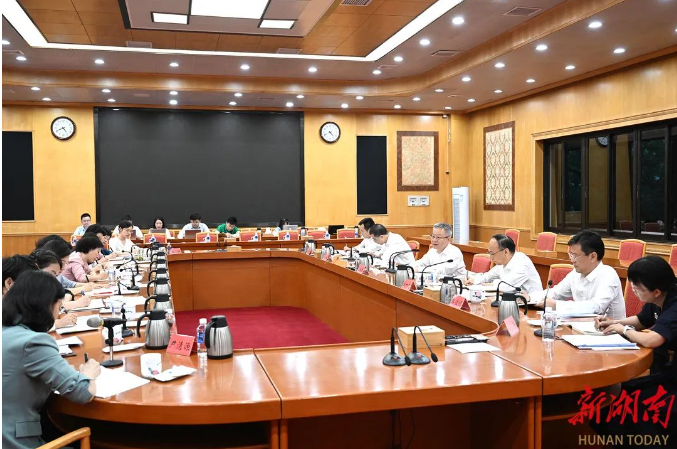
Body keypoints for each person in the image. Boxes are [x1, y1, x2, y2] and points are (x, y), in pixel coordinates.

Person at [2, 271, 100, 449]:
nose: (59, 312)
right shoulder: (33, 342)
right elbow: (83, 392)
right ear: (47, 305)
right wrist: (88, 373)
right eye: (59, 306)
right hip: (16, 441)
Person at [592, 256, 676, 446]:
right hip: (671, 371)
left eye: (638, 288)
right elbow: (641, 320)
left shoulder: (674, 305)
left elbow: (652, 339)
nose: (634, 291)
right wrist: (614, 322)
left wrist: (623, 330)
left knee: (636, 403)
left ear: (656, 291)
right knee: (621, 391)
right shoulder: (660, 296)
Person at [527, 230, 626, 319]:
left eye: (575, 256)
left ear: (592, 256)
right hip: (580, 327)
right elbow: (556, 293)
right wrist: (529, 298)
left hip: (609, 331)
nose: (572, 260)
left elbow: (596, 307)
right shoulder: (576, 273)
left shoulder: (608, 275)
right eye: (570, 255)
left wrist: (557, 305)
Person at [465, 234, 542, 294]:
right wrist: (474, 280)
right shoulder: (502, 262)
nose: (490, 257)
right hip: (514, 301)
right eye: (489, 253)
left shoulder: (522, 263)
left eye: (492, 253)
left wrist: (493, 283)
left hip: (531, 305)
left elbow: (505, 287)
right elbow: (487, 276)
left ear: (506, 252)